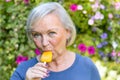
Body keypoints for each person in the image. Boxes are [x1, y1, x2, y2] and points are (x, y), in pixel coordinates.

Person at [10, 2, 101, 80]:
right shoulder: (23, 71)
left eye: (51, 33)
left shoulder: (86, 67)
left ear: (68, 32)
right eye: (37, 35)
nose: (44, 43)